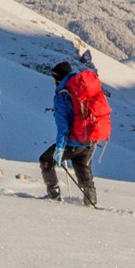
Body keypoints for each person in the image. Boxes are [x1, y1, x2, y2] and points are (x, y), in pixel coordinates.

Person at [39, 58, 110, 209]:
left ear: (57, 79)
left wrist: (60, 148)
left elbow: (63, 126)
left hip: (74, 142)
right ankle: (91, 201)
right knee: (83, 167)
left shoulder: (62, 95)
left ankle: (53, 195)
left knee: (45, 160)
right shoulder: (82, 88)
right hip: (90, 140)